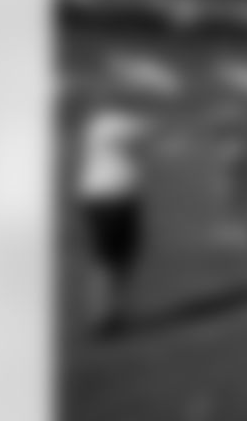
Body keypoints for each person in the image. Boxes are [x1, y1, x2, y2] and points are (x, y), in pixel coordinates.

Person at [73, 100, 152, 337]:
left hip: (107, 197)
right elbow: (145, 131)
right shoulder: (113, 123)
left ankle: (111, 314)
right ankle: (105, 316)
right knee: (112, 260)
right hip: (114, 198)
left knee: (113, 259)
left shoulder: (97, 123)